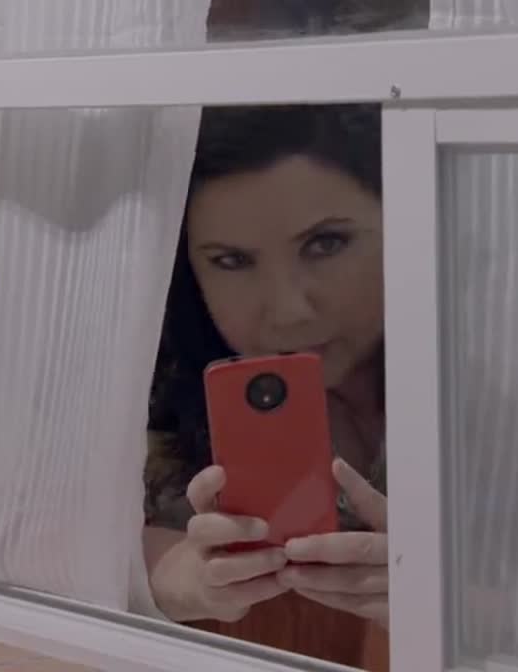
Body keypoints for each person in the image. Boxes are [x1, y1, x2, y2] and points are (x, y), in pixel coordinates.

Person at [143, 104, 390, 670]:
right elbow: (62, 546)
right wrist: (175, 573)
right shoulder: (159, 396)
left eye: (326, 244)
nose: (287, 311)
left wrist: (447, 598)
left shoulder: (493, 396)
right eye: (231, 261)